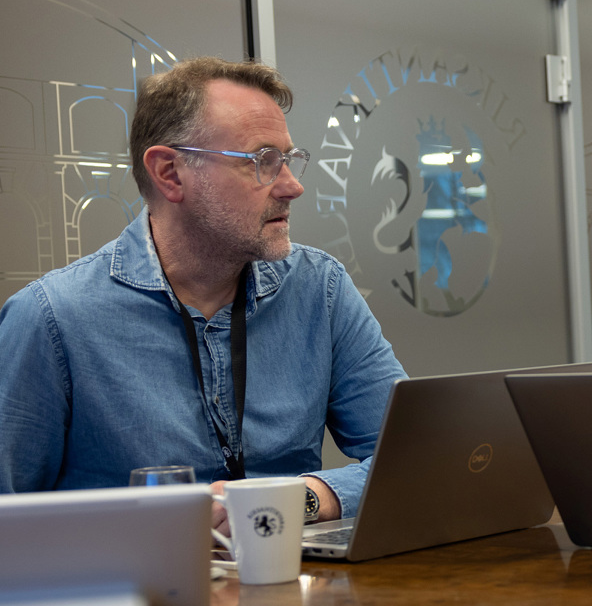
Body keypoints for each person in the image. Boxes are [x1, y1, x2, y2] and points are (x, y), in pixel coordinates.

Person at [0, 57, 406, 531]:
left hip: (298, 595)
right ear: (170, 173)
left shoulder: (320, 290)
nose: (293, 187)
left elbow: (418, 457)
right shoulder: (52, 320)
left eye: (290, 160)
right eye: (263, 162)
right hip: (139, 599)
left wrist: (303, 498)